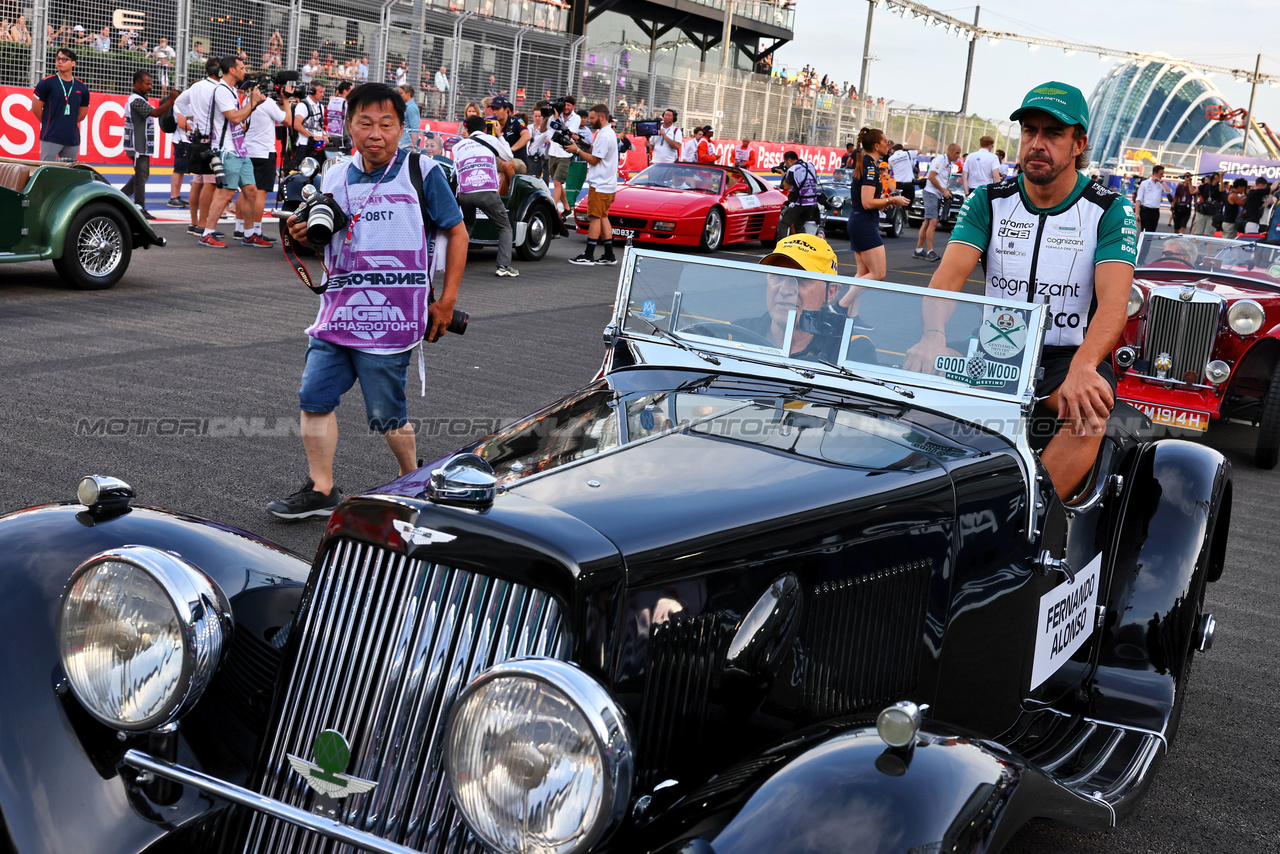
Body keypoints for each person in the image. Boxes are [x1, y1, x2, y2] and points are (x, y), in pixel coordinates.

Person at [902, 81, 1137, 501]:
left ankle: (1029, 522)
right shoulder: (988, 200)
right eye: (1030, 131)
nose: (1037, 144)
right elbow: (946, 281)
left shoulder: (1110, 208)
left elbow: (1115, 305)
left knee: (1089, 415)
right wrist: (932, 336)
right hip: (994, 353)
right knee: (915, 391)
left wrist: (1086, 367)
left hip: (1068, 357)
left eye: (1053, 134)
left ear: (1078, 142)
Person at [269, 82, 469, 520]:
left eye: (386, 124)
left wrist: (447, 301)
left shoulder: (423, 171)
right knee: (313, 397)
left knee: (386, 415)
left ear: (402, 128)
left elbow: (458, 232)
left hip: (393, 319)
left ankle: (412, 478)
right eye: (365, 123)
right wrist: (303, 234)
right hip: (338, 313)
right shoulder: (336, 173)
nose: (375, 133)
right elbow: (328, 235)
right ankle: (322, 490)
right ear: (349, 126)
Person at [732, 234, 868, 363]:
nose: (784, 290)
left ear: (830, 292)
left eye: (801, 279)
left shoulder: (850, 350)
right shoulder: (733, 334)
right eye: (777, 276)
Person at [199, 56, 265, 248]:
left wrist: (254, 105)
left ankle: (250, 233)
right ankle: (207, 233)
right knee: (226, 194)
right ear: (232, 70)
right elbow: (235, 118)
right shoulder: (221, 91)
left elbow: (240, 120)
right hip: (228, 150)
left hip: (240, 148)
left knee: (251, 191)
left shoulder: (232, 91)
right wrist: (251, 103)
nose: (245, 71)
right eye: (242, 68)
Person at [456, 115, 518, 277]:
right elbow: (509, 156)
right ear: (485, 129)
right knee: (504, 227)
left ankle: (455, 263)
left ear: (467, 130)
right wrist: (500, 135)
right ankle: (504, 266)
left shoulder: (459, 145)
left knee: (466, 227)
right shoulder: (490, 139)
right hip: (486, 190)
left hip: (464, 192)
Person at [845, 127, 909, 281]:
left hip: (861, 221)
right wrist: (892, 199)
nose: (888, 145)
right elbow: (867, 203)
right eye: (885, 142)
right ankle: (841, 304)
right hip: (864, 223)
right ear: (876, 146)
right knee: (877, 274)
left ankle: (847, 305)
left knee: (863, 273)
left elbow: (867, 201)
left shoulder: (869, 165)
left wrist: (882, 203)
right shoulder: (870, 168)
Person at [121, 71, 178, 221]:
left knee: (141, 175)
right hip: (137, 145)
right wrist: (170, 101)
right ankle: (139, 207)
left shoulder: (140, 98)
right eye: (147, 83)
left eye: (151, 83)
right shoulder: (135, 100)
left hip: (141, 144)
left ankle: (120, 197)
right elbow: (155, 113)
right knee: (141, 176)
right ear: (137, 83)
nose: (150, 86)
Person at [565, 103, 618, 266]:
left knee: (595, 218)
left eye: (593, 118)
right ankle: (609, 254)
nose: (590, 121)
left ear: (602, 117)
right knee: (603, 217)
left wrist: (577, 151)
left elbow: (595, 159)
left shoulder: (604, 135)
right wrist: (580, 142)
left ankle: (588, 255)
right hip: (608, 184)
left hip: (600, 184)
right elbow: (595, 151)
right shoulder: (608, 133)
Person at [175, 58, 223, 236]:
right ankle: (204, 224)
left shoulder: (196, 86)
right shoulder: (219, 88)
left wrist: (193, 118)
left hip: (198, 137)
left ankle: (194, 223)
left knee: (198, 182)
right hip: (212, 139)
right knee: (210, 184)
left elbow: (179, 102)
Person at [242, 75, 291, 247]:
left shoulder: (247, 100)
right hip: (264, 152)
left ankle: (241, 228)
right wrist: (286, 100)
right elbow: (287, 120)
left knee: (247, 192)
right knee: (260, 193)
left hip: (248, 150)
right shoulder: (267, 102)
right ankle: (255, 231)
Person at [31, 48, 89, 162]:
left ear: (73, 63)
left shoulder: (82, 87)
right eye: (58, 58)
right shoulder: (47, 82)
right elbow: (36, 108)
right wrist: (50, 122)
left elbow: (82, 114)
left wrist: (67, 123)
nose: (59, 62)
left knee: (68, 174)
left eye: (64, 59)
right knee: (46, 171)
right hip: (51, 137)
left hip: (72, 139)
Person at [914, 142, 959, 262]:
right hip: (931, 193)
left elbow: (944, 180)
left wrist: (947, 191)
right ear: (950, 151)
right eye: (956, 153)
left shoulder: (949, 164)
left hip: (936, 194)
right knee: (933, 222)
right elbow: (931, 177)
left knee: (928, 222)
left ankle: (918, 250)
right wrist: (942, 191)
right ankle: (930, 251)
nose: (958, 156)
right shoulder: (941, 159)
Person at [546, 95, 580, 215]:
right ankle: (566, 208)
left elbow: (568, 132)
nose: (566, 107)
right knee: (558, 183)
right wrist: (554, 117)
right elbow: (550, 130)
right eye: (565, 105)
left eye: (569, 105)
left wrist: (557, 121)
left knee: (557, 182)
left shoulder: (576, 118)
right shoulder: (556, 115)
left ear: (573, 107)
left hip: (565, 153)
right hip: (553, 152)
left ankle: (552, 210)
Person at [777, 150, 820, 237]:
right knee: (798, 225)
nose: (786, 165)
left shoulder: (793, 169)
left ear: (789, 160)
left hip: (799, 203)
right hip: (812, 204)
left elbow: (785, 186)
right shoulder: (810, 165)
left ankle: (782, 247)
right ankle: (802, 248)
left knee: (784, 223)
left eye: (785, 163)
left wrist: (783, 173)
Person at [491, 95, 529, 168]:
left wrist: (509, 151)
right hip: (500, 160)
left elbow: (527, 136)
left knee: (506, 164)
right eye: (493, 109)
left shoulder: (516, 121)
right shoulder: (491, 124)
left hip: (517, 160)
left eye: (498, 109)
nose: (495, 112)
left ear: (506, 109)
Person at [1135, 164, 1170, 235]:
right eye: (1161, 174)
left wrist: (1161, 182)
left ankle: (1147, 246)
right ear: (1155, 173)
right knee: (1145, 231)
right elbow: (1139, 198)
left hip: (1155, 211)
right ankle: (1141, 245)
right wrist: (1137, 213)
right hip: (1146, 210)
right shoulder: (1145, 183)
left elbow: (1168, 191)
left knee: (1151, 233)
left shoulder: (1161, 184)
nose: (1162, 176)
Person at [1192, 172, 1221, 236]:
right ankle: (1196, 245)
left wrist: (1221, 177)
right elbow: (1192, 192)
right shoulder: (1204, 186)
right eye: (1217, 177)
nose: (1218, 178)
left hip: (1212, 213)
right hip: (1201, 211)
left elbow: (1221, 190)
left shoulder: (1219, 188)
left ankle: (1207, 246)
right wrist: (1189, 182)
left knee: (1209, 234)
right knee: (1197, 233)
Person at [326, 81, 351, 151]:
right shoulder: (345, 103)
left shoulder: (332, 100)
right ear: (345, 91)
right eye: (351, 90)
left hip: (331, 133)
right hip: (342, 136)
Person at [398, 84, 420, 149]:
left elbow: (414, 129)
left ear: (408, 94)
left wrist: (412, 147)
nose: (399, 95)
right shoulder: (404, 106)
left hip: (405, 145)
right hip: (401, 143)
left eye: (401, 93)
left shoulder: (411, 108)